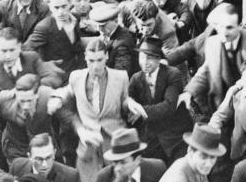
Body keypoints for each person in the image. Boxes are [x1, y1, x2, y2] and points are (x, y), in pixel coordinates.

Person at [49, 38, 142, 182]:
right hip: (88, 148)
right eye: (91, 61)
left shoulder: (120, 77)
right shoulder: (76, 77)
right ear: (85, 58)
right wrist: (57, 98)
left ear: (106, 56)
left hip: (115, 145)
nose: (95, 66)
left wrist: (130, 103)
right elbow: (67, 91)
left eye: (99, 60)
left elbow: (124, 100)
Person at [94, 128, 168, 182]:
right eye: (115, 162)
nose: (118, 168)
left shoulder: (157, 168)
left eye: (123, 162)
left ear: (138, 159)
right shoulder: (104, 177)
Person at [158, 123, 225, 182]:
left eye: (213, 157)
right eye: (203, 157)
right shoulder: (178, 177)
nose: (208, 164)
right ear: (190, 150)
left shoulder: (197, 166)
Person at [10, 133, 81, 181]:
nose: (45, 165)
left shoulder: (71, 177)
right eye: (39, 159)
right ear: (30, 157)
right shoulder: (17, 167)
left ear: (54, 154)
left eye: (48, 158)